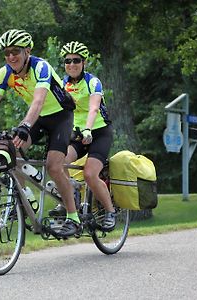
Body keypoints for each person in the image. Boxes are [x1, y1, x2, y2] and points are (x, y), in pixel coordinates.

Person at [0, 29, 81, 237]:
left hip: (61, 116)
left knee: (53, 165)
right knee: (10, 151)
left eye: (15, 51)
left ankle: (73, 216)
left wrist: (24, 125)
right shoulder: (5, 72)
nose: (11, 57)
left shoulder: (40, 67)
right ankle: (26, 199)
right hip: (38, 118)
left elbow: (38, 100)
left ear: (27, 51)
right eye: (6, 53)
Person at [50, 41, 116, 231]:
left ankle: (110, 212)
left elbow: (94, 108)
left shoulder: (92, 82)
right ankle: (72, 194)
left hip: (98, 132)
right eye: (67, 61)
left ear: (84, 62)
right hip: (77, 134)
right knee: (58, 164)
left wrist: (88, 129)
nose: (71, 64)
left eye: (76, 60)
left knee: (89, 174)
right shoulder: (63, 84)